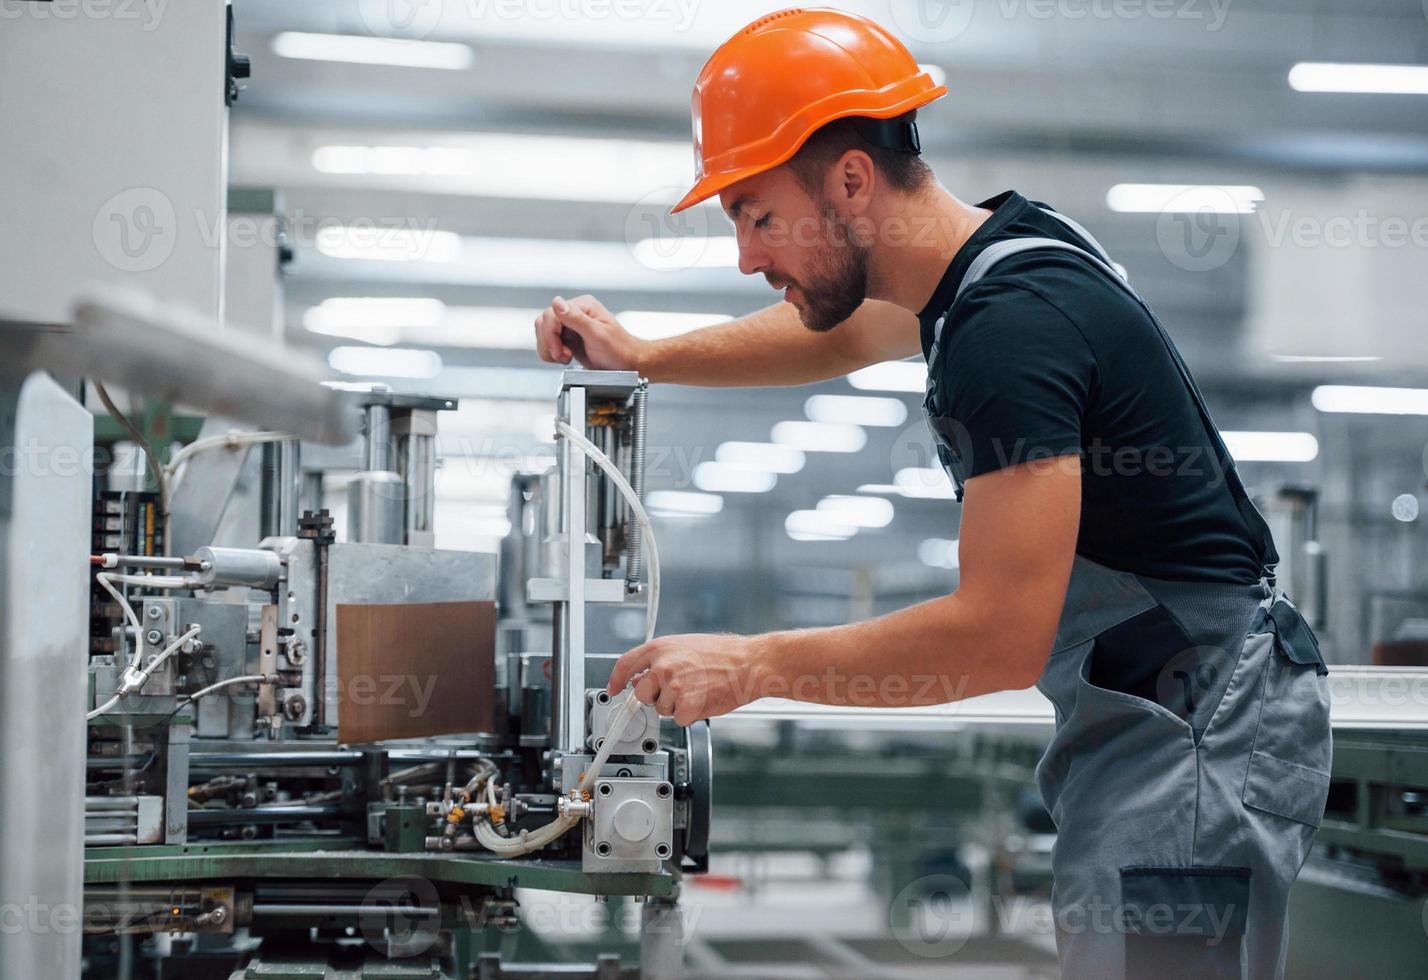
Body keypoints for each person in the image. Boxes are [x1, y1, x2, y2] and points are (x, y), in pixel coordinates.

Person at [532, 9, 1330, 978]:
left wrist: (752, 664)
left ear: (852, 181)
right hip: (1154, 703)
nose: (745, 253)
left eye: (755, 213)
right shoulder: (991, 262)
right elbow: (835, 332)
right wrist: (647, 356)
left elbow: (997, 635)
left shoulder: (1007, 330)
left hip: (1194, 721)